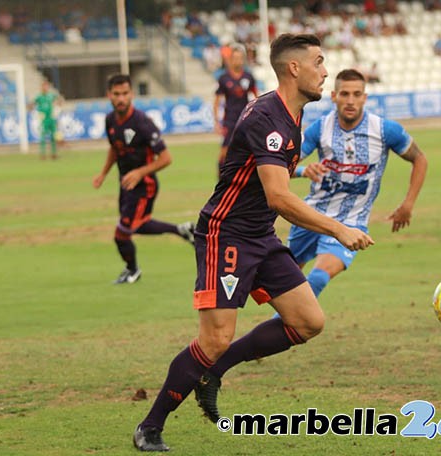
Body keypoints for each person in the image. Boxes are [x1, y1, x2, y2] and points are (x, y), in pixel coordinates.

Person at [132, 34, 373, 452]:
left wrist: (299, 173)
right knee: (214, 338)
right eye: (318, 62)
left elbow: (258, 172)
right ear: (294, 68)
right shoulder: (268, 116)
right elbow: (278, 197)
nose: (325, 71)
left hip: (260, 234)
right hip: (226, 234)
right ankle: (150, 427)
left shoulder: (289, 115)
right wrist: (338, 229)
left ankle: (216, 370)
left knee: (308, 321)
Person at [286, 68, 427, 302]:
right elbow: (278, 164)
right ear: (334, 96)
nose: (350, 101)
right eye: (344, 94)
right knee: (284, 283)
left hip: (351, 221)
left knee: (318, 277)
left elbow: (419, 159)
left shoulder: (384, 130)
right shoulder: (320, 128)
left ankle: (280, 332)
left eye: (356, 94)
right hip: (311, 215)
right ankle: (279, 330)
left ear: (365, 98)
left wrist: (408, 204)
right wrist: (303, 170)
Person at [92, 74, 195, 285]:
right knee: (138, 226)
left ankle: (132, 271)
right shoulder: (110, 120)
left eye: (125, 94)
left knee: (121, 233)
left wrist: (140, 172)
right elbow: (115, 147)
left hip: (144, 186)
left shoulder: (142, 123)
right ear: (109, 95)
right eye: (116, 94)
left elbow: (166, 158)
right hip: (126, 185)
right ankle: (181, 230)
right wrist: (103, 173)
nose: (121, 98)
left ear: (131, 94)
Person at [213, 44, 258, 175]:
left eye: (240, 58)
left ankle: (248, 178)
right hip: (230, 120)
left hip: (245, 119)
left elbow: (257, 98)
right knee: (224, 151)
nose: (237, 61)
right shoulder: (224, 78)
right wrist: (216, 122)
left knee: (251, 149)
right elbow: (216, 102)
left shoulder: (248, 77)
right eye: (235, 58)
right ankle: (221, 181)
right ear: (231, 59)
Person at [29, 81, 60, 160]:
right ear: (41, 87)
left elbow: (59, 100)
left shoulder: (51, 95)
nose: (45, 88)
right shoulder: (39, 97)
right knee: (43, 137)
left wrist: (57, 108)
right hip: (44, 120)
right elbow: (32, 104)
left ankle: (54, 154)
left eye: (47, 86)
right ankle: (42, 154)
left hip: (51, 118)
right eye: (44, 86)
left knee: (53, 137)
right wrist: (33, 110)